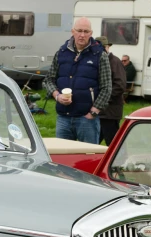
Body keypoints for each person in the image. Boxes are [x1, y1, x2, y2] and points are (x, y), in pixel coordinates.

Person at [43, 17, 112, 145]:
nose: (82, 35)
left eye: (86, 31)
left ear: (91, 34)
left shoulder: (99, 55)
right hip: (63, 118)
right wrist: (57, 96)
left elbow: (107, 87)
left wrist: (94, 111)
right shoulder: (61, 53)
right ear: (72, 31)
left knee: (88, 158)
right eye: (79, 31)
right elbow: (48, 80)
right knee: (62, 158)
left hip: (87, 119)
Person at [95, 36, 126, 146]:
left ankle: (120, 163)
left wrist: (103, 99)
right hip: (100, 112)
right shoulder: (98, 61)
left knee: (113, 145)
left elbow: (120, 86)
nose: (102, 49)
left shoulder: (115, 62)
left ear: (108, 47)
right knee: (93, 144)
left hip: (110, 112)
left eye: (104, 47)